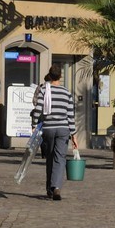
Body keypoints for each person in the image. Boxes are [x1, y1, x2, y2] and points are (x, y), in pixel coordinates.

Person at [31, 65, 78, 200]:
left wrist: (34, 125)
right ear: (60, 77)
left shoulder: (44, 90)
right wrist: (74, 134)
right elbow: (70, 115)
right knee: (60, 158)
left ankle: (50, 189)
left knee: (50, 158)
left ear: (50, 76)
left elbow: (38, 109)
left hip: (48, 129)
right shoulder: (66, 93)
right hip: (63, 129)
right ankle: (56, 187)